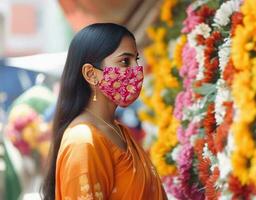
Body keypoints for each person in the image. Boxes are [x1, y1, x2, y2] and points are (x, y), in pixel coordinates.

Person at [41, 23, 167, 200]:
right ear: (91, 74)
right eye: (125, 61)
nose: (137, 71)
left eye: (136, 60)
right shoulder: (83, 141)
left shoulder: (118, 130)